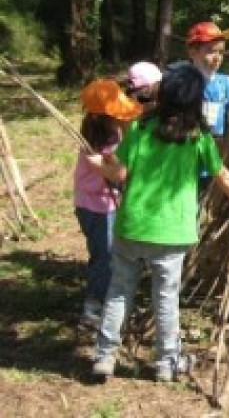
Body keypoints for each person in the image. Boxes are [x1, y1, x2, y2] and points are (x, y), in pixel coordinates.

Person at [88, 64, 229, 382]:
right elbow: (221, 175)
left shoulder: (139, 129)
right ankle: (166, 364)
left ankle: (104, 357)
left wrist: (102, 166)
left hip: (133, 226)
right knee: (165, 298)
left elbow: (120, 174)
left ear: (162, 96)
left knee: (119, 290)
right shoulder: (198, 138)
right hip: (173, 234)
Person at [74, 80, 143, 330]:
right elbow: (119, 173)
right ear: (104, 116)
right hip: (96, 208)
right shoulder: (102, 140)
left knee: (111, 255)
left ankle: (108, 303)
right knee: (104, 256)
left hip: (102, 205)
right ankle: (93, 307)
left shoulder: (107, 133)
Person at [185, 21, 229, 139]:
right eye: (211, 51)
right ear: (193, 52)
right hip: (187, 142)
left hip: (216, 143)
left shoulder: (226, 83)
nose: (217, 57)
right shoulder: (182, 81)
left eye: (221, 52)